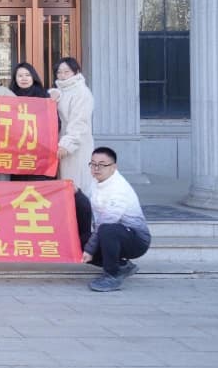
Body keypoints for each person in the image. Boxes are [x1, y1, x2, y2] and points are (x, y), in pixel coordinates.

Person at [82, 147, 151, 292]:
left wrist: (89, 250)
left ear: (113, 167)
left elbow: (106, 222)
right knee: (80, 241)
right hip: (109, 233)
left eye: (102, 164)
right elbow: (87, 206)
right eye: (93, 164)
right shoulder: (96, 182)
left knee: (107, 230)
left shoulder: (119, 190)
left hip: (136, 240)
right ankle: (122, 265)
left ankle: (112, 275)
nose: (96, 168)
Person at [50, 56, 95, 197]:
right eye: (59, 72)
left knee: (76, 184)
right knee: (65, 184)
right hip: (61, 144)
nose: (62, 76)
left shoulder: (81, 92)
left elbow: (79, 123)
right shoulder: (61, 91)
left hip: (76, 146)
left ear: (76, 72)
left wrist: (67, 144)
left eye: (66, 72)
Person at [11, 62, 55, 181]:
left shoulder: (44, 96)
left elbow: (55, 123)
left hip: (40, 149)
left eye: (27, 75)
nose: (24, 78)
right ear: (15, 79)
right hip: (16, 149)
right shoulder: (10, 97)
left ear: (33, 77)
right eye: (20, 76)